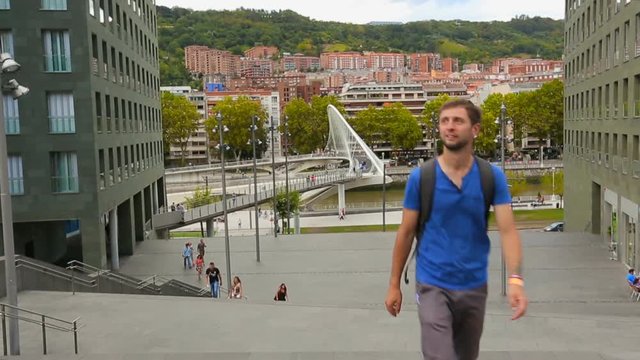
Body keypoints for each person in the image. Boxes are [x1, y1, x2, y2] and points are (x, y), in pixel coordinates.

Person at [384, 99, 528, 360]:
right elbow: (405, 233)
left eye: (458, 121)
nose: (449, 127)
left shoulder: (491, 177)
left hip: (474, 286)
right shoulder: (422, 178)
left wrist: (515, 280)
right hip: (432, 285)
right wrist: (394, 284)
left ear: (475, 130)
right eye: (444, 121)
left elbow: (508, 231)